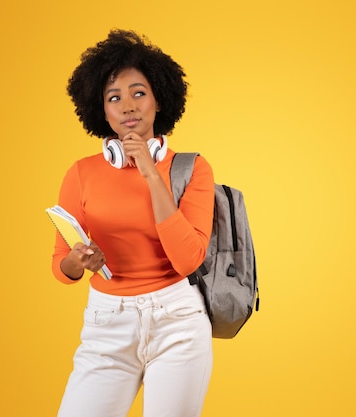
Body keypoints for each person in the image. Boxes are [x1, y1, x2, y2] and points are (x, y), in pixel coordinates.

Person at [50, 29, 215, 417]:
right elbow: (61, 266)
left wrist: (150, 172)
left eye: (139, 92)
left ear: (159, 99)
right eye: (114, 97)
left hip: (177, 324)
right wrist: (79, 259)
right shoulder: (81, 174)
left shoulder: (190, 169)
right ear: (101, 112)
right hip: (107, 324)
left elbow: (189, 259)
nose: (128, 105)